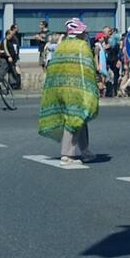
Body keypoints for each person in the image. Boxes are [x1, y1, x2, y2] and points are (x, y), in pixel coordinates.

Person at [39, 18, 99, 165]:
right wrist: (92, 86)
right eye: (83, 32)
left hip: (60, 88)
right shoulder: (82, 46)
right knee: (75, 118)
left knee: (80, 119)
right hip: (76, 88)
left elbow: (53, 67)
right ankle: (67, 155)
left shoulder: (61, 46)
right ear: (79, 33)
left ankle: (85, 150)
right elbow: (87, 67)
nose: (85, 34)